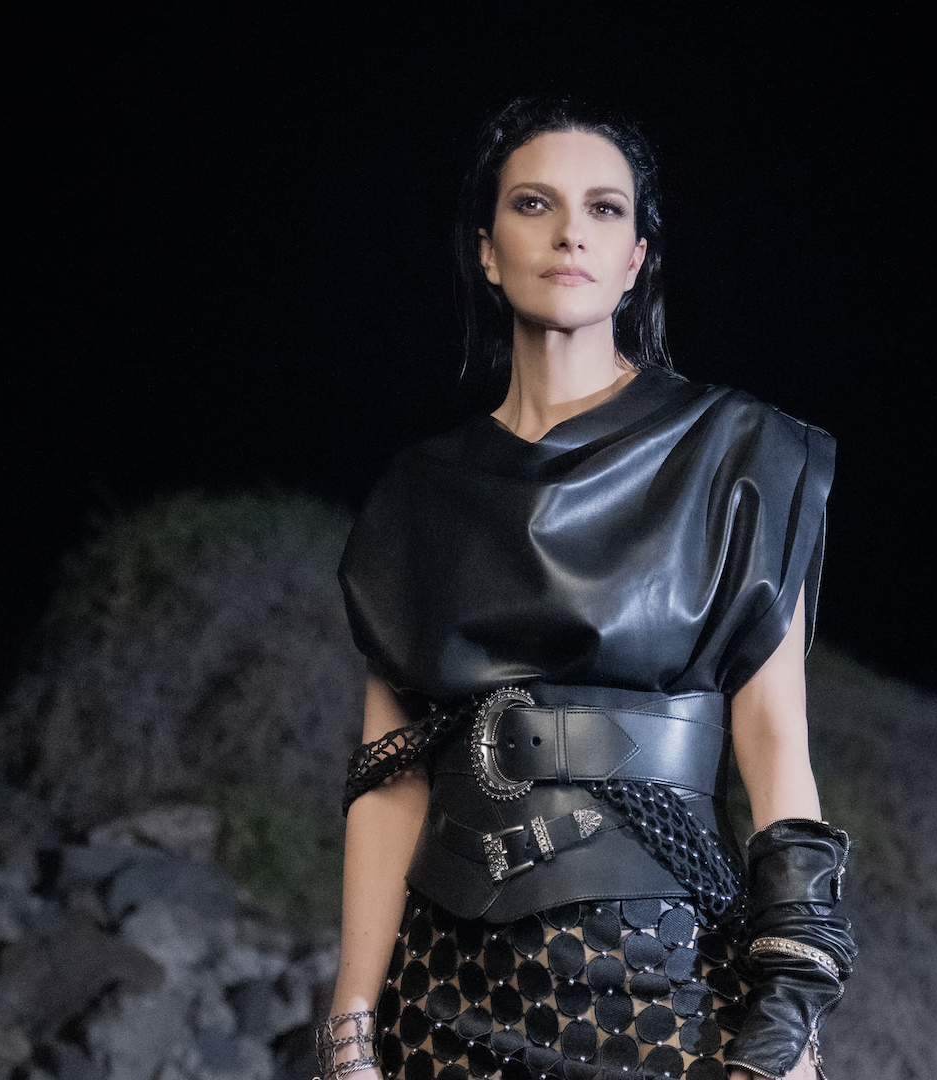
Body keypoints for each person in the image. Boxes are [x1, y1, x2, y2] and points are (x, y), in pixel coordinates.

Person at [324, 98, 856, 1080]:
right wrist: (353, 1019)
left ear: (636, 257)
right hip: (442, 991)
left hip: (669, 980)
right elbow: (389, 780)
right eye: (534, 203)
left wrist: (789, 999)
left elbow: (774, 741)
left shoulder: (739, 454)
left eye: (604, 209)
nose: (570, 231)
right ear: (488, 252)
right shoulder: (418, 495)